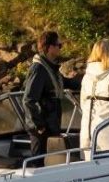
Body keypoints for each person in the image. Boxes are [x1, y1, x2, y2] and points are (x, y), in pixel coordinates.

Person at [21, 31, 80, 166]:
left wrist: (88, 81)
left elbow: (65, 83)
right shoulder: (38, 69)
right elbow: (28, 99)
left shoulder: (50, 68)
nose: (61, 47)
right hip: (42, 129)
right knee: (38, 164)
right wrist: (39, 126)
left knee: (49, 163)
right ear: (49, 47)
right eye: (59, 45)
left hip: (51, 125)